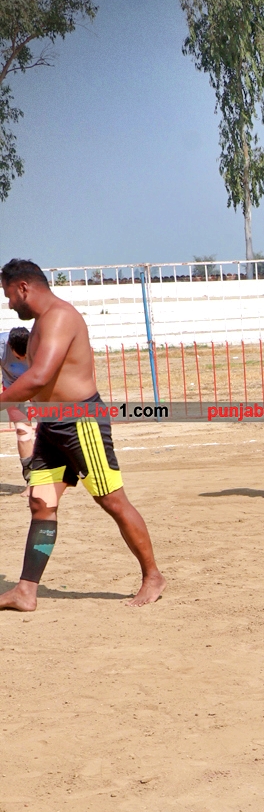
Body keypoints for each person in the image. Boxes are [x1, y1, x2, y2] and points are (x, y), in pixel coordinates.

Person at [0, 258, 165, 610]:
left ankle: (153, 575)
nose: (9, 303)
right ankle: (26, 591)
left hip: (81, 423)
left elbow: (40, 376)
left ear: (23, 287)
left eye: (9, 294)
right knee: (41, 502)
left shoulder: (59, 317)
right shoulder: (42, 323)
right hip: (52, 425)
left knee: (112, 500)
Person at [1, 326, 36, 481]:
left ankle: (53, 477)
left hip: (38, 387)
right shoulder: (1, 346)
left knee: (49, 429)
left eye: (25, 355)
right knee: (22, 431)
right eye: (18, 356)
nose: (22, 360)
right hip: (13, 389)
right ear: (9, 346)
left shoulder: (40, 344)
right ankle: (31, 479)